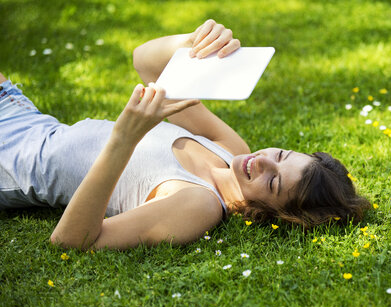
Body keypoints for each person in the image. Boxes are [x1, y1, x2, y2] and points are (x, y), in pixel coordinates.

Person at [0, 19, 370, 250]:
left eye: (273, 183)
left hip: (11, 161)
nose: (264, 162)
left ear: (266, 213)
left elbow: (70, 241)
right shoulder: (231, 150)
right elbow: (144, 61)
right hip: (23, 114)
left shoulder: (200, 206)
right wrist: (194, 42)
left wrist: (123, 140)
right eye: (282, 155)